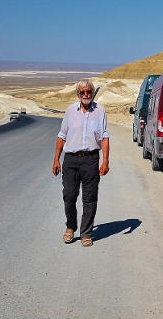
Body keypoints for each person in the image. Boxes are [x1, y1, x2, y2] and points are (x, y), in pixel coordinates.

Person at [52, 79, 110, 247]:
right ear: (78, 94)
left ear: (92, 93)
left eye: (88, 92)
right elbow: (62, 135)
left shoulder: (100, 111)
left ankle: (86, 233)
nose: (86, 95)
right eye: (82, 92)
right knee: (69, 195)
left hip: (91, 159)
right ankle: (70, 227)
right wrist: (56, 159)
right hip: (70, 159)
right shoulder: (70, 111)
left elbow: (104, 136)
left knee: (90, 198)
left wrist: (105, 161)